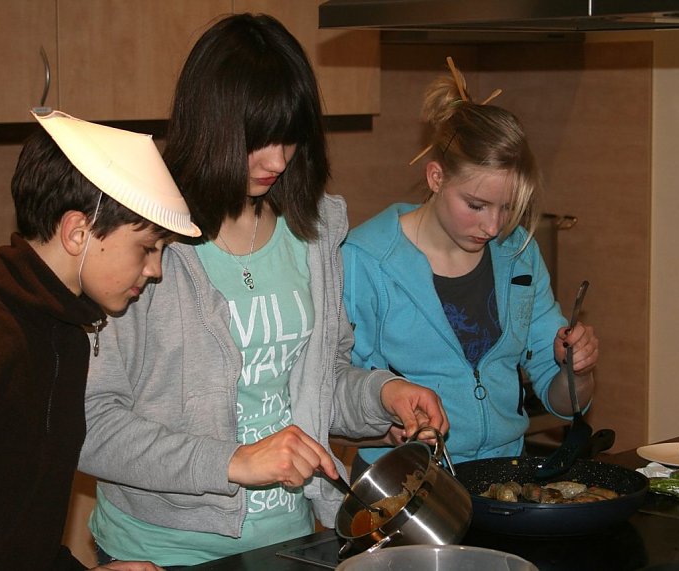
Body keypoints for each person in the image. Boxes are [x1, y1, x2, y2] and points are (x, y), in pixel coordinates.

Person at [76, 13, 447, 568]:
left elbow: (320, 383)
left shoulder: (313, 231)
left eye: (289, 137)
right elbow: (90, 426)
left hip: (291, 544)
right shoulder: (143, 241)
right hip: (159, 553)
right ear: (210, 127)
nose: (277, 161)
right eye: (256, 140)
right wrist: (232, 461)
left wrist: (381, 395)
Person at [0, 109, 201, 570]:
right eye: (146, 247)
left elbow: (21, 543)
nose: (155, 270)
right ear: (78, 232)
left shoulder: (67, 341)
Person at [341, 58, 599, 472]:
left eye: (508, 207)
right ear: (436, 177)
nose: (493, 226)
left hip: (503, 480)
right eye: (476, 205)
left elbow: (566, 402)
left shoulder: (519, 253)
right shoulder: (365, 260)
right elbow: (338, 394)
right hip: (404, 487)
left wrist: (577, 370)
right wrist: (385, 423)